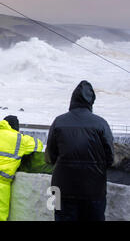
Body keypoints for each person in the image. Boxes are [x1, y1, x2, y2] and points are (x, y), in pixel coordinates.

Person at [45, 80, 114, 221]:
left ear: (72, 99)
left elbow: (49, 157)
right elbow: (110, 158)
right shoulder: (101, 123)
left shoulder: (58, 121)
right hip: (94, 189)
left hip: (60, 189)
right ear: (91, 101)